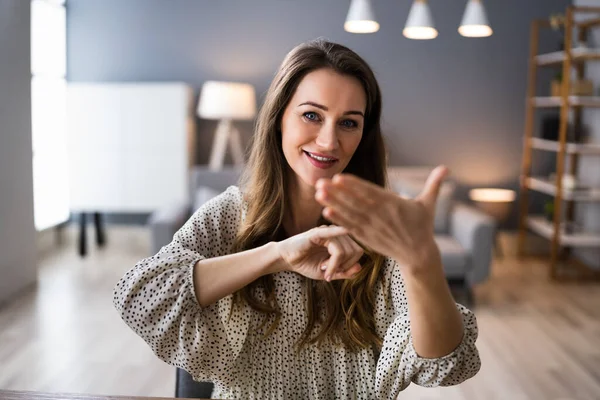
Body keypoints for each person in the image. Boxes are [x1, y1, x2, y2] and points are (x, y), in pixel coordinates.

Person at [113, 38, 480, 399]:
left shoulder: (379, 231)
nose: (327, 141)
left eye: (348, 123)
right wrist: (276, 255)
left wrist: (422, 262)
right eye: (311, 115)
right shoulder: (228, 215)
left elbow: (445, 363)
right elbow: (140, 296)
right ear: (278, 120)